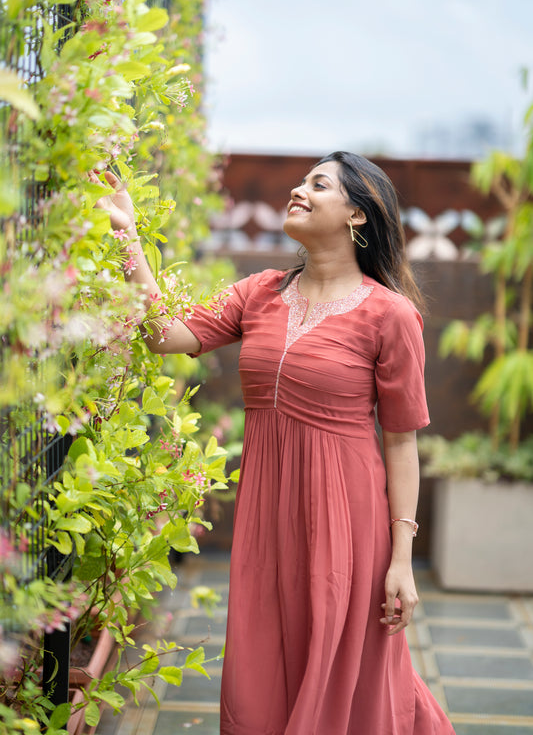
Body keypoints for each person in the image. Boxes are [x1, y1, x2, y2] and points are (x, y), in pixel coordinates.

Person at [92, 151, 455, 734]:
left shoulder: (391, 316)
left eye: (318, 184)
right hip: (266, 514)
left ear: (358, 215)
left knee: (346, 669)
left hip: (347, 521)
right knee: (261, 673)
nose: (298, 189)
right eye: (301, 180)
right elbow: (167, 334)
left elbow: (401, 442)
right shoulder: (258, 293)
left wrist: (401, 560)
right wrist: (127, 234)